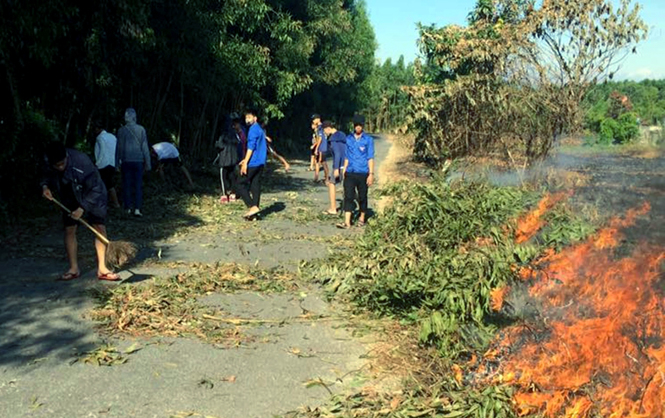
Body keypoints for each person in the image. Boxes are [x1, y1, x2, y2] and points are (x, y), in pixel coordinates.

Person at [41, 142, 120, 281]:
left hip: (93, 194)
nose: (60, 167)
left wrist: (82, 208)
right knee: (69, 229)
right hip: (69, 193)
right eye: (56, 165)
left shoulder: (82, 161)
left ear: (66, 156)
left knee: (99, 228)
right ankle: (73, 268)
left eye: (62, 163)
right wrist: (45, 187)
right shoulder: (48, 161)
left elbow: (96, 188)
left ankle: (103, 268)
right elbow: (45, 175)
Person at [337, 115, 374, 229]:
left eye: (360, 125)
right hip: (350, 171)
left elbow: (370, 158)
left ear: (363, 126)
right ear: (354, 126)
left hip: (363, 172)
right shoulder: (349, 139)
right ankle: (347, 222)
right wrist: (344, 170)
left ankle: (362, 217)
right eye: (356, 125)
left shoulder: (368, 140)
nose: (358, 127)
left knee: (362, 196)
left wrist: (371, 174)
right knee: (348, 196)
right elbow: (347, 156)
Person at [116, 108, 151, 217]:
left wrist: (117, 163)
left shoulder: (121, 130)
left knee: (126, 184)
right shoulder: (141, 129)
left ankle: (127, 208)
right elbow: (144, 147)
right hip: (138, 161)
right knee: (138, 185)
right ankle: (137, 209)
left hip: (126, 160)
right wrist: (148, 163)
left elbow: (119, 148)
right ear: (135, 117)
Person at [236, 109, 268, 218]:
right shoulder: (259, 129)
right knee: (255, 184)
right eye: (246, 118)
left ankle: (252, 206)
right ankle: (255, 210)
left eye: (249, 117)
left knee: (239, 183)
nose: (247, 120)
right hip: (260, 162)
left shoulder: (253, 130)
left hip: (253, 163)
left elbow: (251, 147)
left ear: (255, 118)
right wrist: (245, 160)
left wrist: (245, 162)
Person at [322, 120, 347, 215]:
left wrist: (336, 168)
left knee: (331, 183)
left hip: (340, 166)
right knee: (349, 187)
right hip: (347, 164)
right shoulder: (342, 135)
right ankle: (362, 207)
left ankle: (333, 208)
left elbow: (337, 154)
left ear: (328, 128)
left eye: (324, 131)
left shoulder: (333, 139)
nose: (325, 133)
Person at [94, 121, 120, 209]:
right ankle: (115, 203)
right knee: (110, 184)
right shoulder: (113, 137)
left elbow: (102, 151)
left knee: (102, 185)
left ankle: (102, 204)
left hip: (103, 164)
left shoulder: (100, 138)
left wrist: (97, 163)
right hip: (112, 163)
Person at [215, 130, 239, 204]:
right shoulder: (235, 136)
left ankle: (224, 195)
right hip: (233, 160)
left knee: (223, 178)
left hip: (224, 160)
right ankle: (233, 194)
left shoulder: (223, 136)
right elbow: (238, 144)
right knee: (233, 177)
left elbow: (219, 146)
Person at [311, 114, 330, 183]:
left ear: (318, 119)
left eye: (314, 119)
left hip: (322, 148)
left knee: (323, 163)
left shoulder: (321, 127)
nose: (313, 121)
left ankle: (327, 179)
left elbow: (320, 139)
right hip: (321, 147)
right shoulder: (319, 127)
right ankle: (316, 177)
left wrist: (316, 148)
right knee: (317, 162)